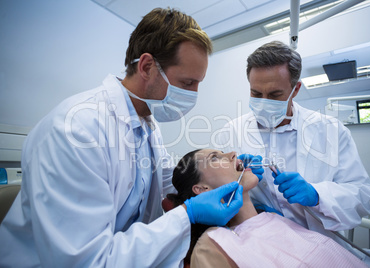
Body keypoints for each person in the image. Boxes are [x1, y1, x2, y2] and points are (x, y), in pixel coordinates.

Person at [0, 8, 243, 267]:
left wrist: (222, 176)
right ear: (147, 66)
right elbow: (87, 261)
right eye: (186, 83)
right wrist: (188, 214)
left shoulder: (146, 123)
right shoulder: (76, 131)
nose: (194, 94)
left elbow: (168, 179)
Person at [214, 41, 370, 264]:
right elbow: (212, 192)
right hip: (260, 251)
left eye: (274, 94)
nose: (263, 102)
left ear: (295, 89)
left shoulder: (329, 130)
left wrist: (317, 195)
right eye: (256, 92)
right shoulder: (230, 133)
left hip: (321, 251)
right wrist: (234, 180)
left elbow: (362, 196)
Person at [166, 149, 367, 267]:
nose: (233, 153)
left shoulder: (276, 219)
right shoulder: (212, 244)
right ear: (202, 189)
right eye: (215, 158)